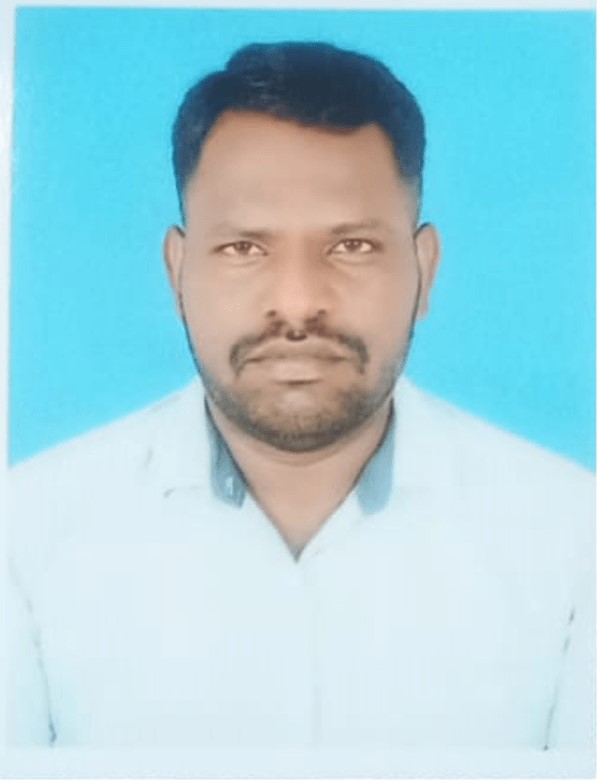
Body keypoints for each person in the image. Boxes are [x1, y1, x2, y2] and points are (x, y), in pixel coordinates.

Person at [8, 41, 594, 752]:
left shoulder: (573, 539)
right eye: (244, 249)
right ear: (177, 272)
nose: (295, 303)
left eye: (351, 247)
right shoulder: (26, 535)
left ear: (425, 270)